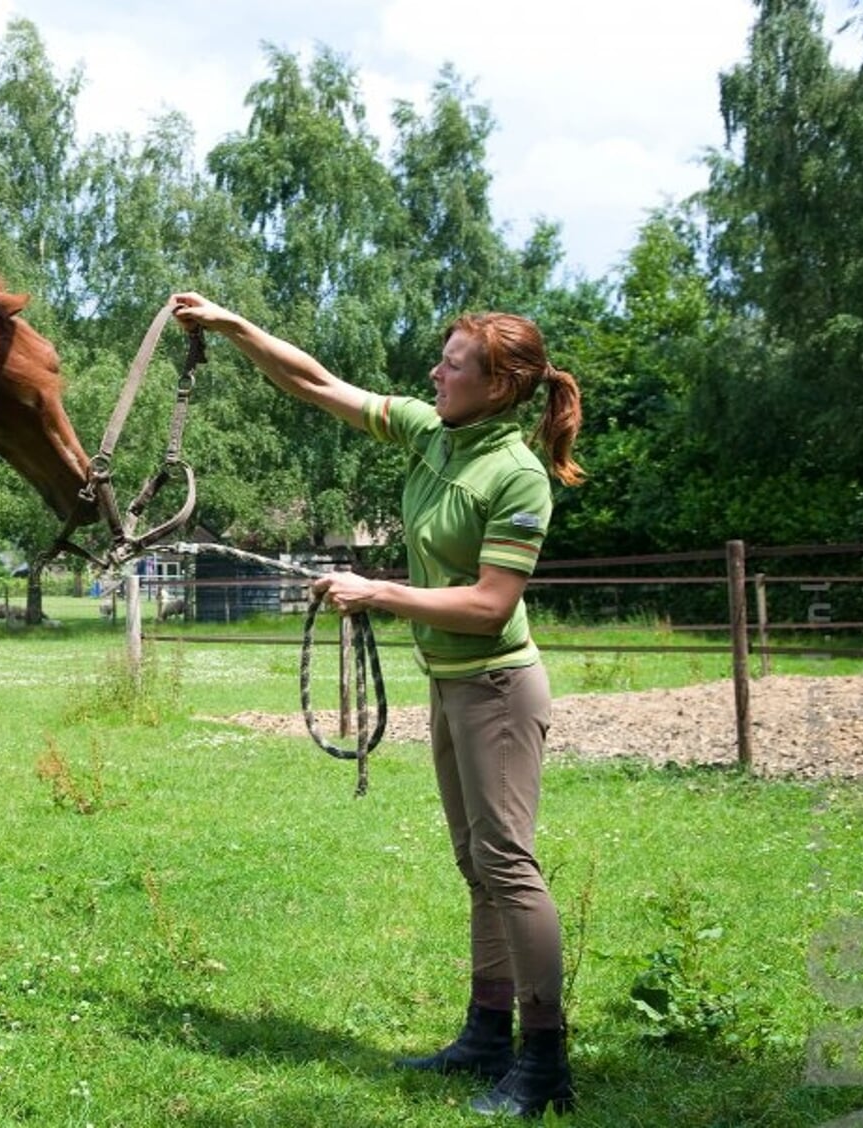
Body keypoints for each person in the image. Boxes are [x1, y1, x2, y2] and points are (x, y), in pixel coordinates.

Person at [172, 293, 583, 1119]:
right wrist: (231, 326)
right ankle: (483, 1033)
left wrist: (376, 590)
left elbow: (488, 606)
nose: (435, 371)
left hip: (497, 688)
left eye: (453, 363)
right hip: (452, 685)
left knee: (507, 865)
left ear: (498, 386)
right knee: (477, 865)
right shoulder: (434, 434)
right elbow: (318, 384)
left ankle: (544, 1063)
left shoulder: (516, 476)